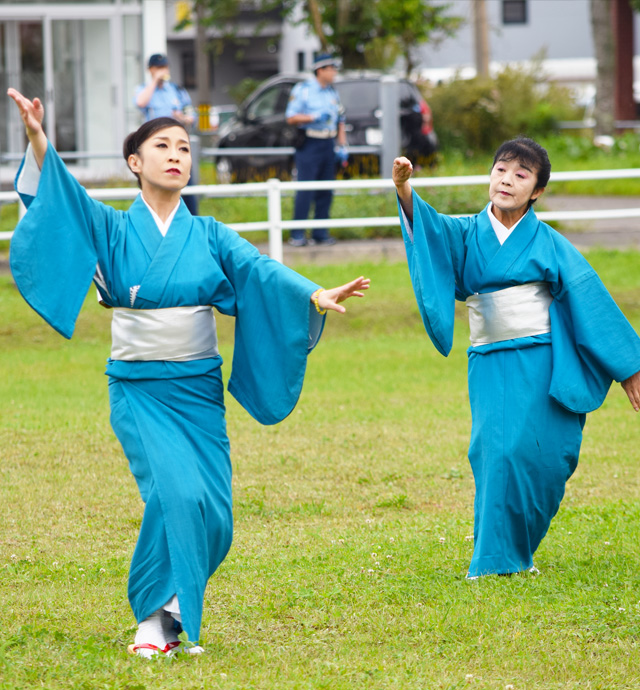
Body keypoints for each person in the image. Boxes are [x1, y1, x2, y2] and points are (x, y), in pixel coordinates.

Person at [7, 87, 370, 657]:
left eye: (183, 147)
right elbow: (60, 200)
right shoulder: (109, 226)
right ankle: (153, 624)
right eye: (162, 146)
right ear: (136, 162)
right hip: (138, 388)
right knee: (175, 493)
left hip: (198, 390)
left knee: (216, 512)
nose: (176, 155)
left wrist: (314, 294)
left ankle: (174, 608)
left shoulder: (209, 234)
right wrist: (36, 137)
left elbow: (259, 269)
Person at [392, 137, 640, 579]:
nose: (507, 180)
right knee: (495, 452)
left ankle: (518, 549)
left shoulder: (549, 242)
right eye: (501, 169)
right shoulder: (467, 231)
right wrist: (406, 191)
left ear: (537, 191)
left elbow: (588, 296)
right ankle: (494, 560)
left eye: (521, 175)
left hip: (542, 361)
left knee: (549, 457)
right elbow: (427, 228)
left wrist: (629, 367)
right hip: (489, 360)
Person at [285, 53, 348, 247]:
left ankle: (320, 233)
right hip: (309, 143)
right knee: (306, 189)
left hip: (328, 144)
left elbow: (340, 120)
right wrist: (312, 117)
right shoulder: (303, 90)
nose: (335, 73)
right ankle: (297, 234)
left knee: (326, 189)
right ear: (320, 70)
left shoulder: (332, 92)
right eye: (331, 69)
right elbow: (290, 117)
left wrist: (342, 145)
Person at [135, 53, 198, 216]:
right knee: (155, 184)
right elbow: (140, 103)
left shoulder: (177, 90)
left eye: (164, 68)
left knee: (185, 183)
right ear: (150, 70)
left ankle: (190, 219)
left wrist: (183, 118)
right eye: (157, 68)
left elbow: (191, 115)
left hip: (176, 143)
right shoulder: (144, 89)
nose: (162, 71)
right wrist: (155, 81)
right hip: (155, 145)